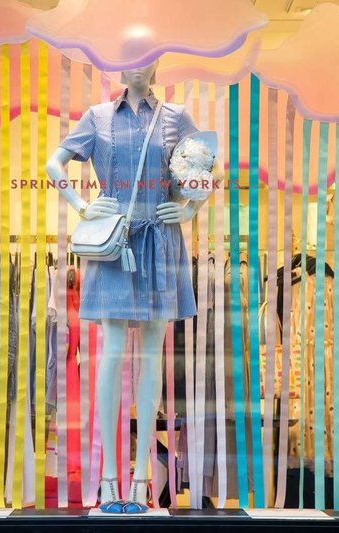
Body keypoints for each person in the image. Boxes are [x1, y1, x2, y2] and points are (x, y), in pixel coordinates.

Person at [45, 61, 217, 513]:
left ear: (158, 64)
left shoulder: (177, 116)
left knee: (152, 357)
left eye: (148, 59)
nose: (140, 67)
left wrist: (189, 210)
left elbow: (201, 172)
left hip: (161, 241)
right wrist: (82, 204)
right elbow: (53, 163)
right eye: (131, 59)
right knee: (111, 354)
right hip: (116, 242)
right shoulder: (98, 116)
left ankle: (141, 481)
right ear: (119, 66)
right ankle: (107, 481)